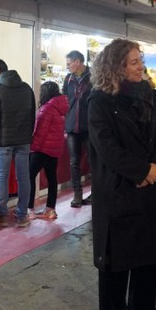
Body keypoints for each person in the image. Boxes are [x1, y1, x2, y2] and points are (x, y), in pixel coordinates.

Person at [88, 38, 156, 310]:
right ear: (116, 67)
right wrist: (140, 171)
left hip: (150, 182)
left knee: (148, 249)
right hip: (118, 187)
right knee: (117, 255)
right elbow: (106, 147)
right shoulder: (99, 100)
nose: (141, 67)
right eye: (134, 62)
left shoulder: (150, 95)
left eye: (141, 61)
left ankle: (142, 305)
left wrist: (155, 168)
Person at [0, 59, 36, 227]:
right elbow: (32, 115)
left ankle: (2, 214)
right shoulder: (26, 88)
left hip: (3, 141)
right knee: (23, 177)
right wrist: (27, 134)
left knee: (2, 176)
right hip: (23, 140)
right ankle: (22, 215)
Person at [27, 81, 68, 220]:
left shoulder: (47, 108)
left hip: (41, 149)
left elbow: (40, 132)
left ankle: (29, 208)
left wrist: (33, 147)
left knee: (29, 176)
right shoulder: (60, 108)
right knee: (52, 178)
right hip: (54, 149)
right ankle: (51, 209)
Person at [62, 50, 93, 207]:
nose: (67, 67)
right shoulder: (68, 79)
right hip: (72, 127)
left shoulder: (93, 77)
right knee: (74, 162)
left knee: (93, 161)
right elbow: (65, 100)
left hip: (89, 127)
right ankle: (77, 194)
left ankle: (95, 193)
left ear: (77, 62)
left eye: (69, 63)